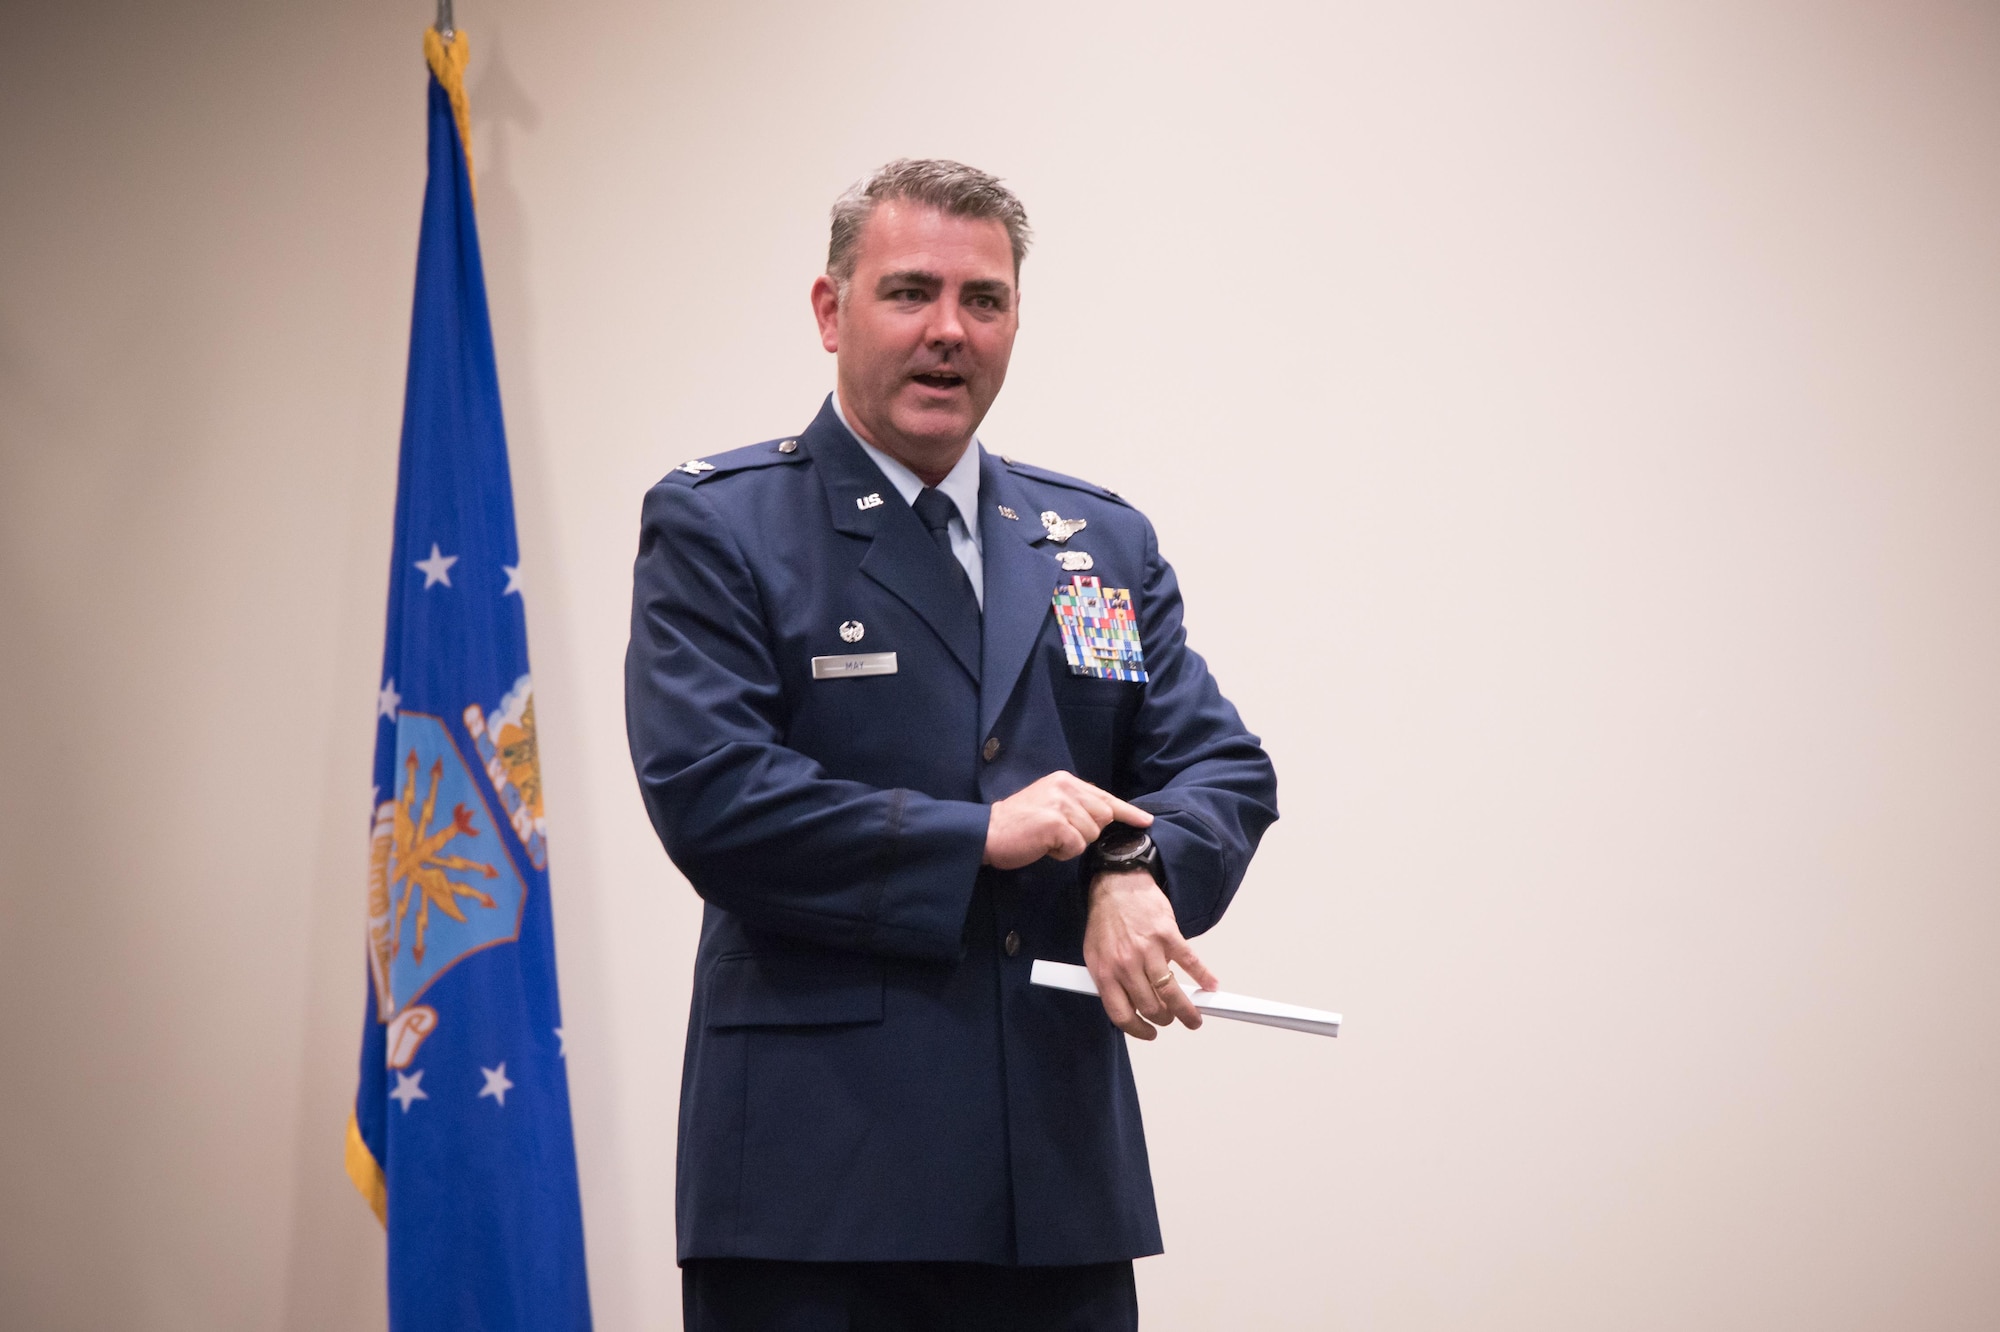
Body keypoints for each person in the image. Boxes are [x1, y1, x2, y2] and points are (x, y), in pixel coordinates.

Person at [625, 158, 1279, 1331]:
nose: (947, 332)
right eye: (908, 292)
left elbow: (1219, 768)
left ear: (1017, 320)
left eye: (982, 300)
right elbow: (714, 797)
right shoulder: (722, 525)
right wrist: (980, 838)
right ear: (830, 312)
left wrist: (1132, 873)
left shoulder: (1095, 544)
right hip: (814, 1193)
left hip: (1052, 1189)